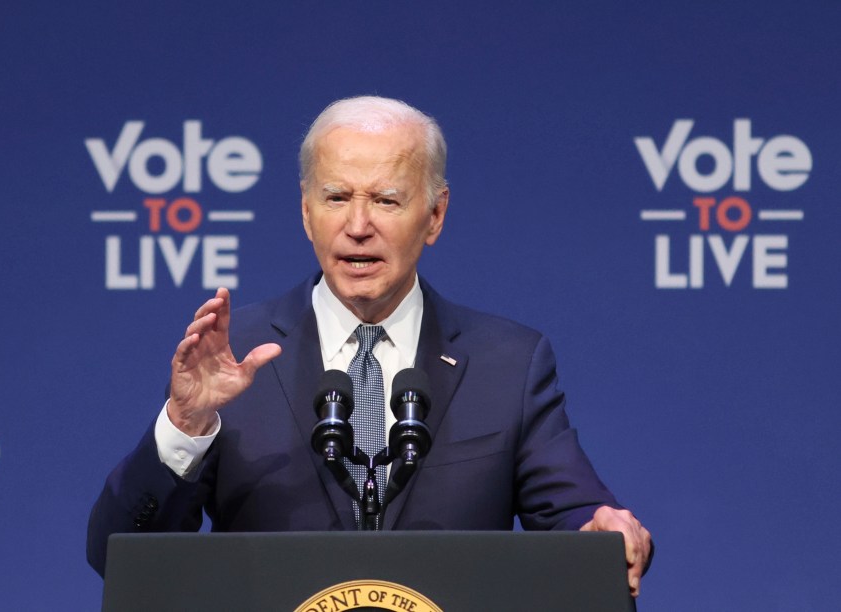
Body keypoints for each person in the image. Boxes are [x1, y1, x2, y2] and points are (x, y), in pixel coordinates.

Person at [87, 95, 652, 596]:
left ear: (435, 215)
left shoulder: (507, 363)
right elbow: (119, 557)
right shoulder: (233, 357)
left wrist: (602, 535)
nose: (358, 225)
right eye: (336, 198)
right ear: (306, 213)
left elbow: (579, 516)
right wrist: (184, 425)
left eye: (386, 200)